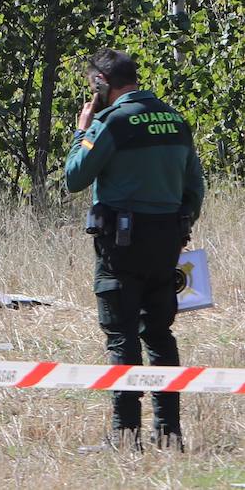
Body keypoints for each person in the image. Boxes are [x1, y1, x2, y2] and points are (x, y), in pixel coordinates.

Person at [65, 47, 205, 451]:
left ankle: (125, 438)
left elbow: (75, 177)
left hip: (121, 248)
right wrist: (179, 225)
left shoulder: (112, 122)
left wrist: (82, 131)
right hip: (165, 244)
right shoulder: (175, 120)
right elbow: (195, 187)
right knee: (160, 335)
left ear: (101, 84)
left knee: (121, 336)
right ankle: (169, 434)